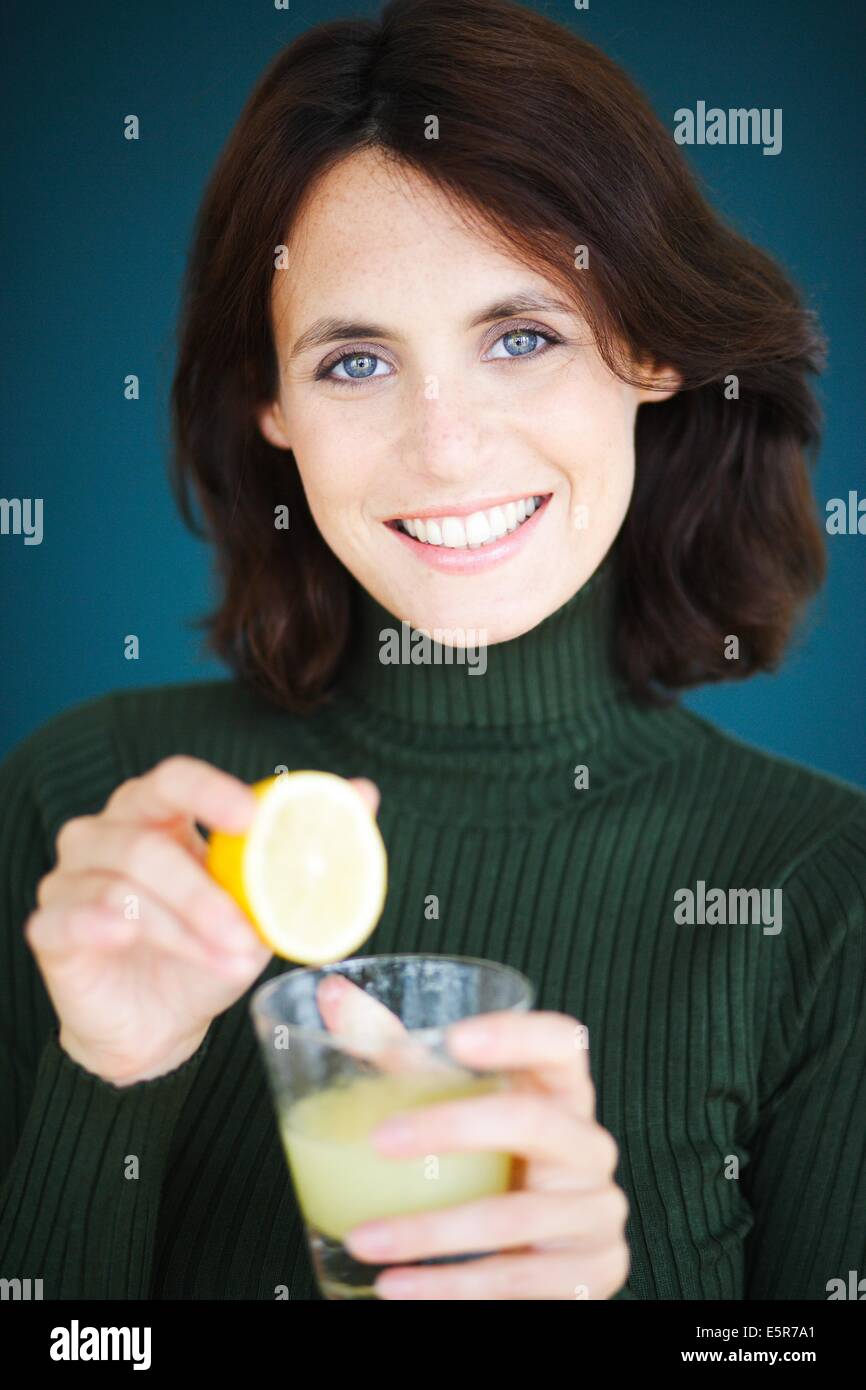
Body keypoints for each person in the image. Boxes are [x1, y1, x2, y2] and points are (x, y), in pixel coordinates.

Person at [1, 0, 863, 1301]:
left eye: (521, 337)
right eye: (355, 362)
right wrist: (106, 1075)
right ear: (270, 406)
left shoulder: (823, 892)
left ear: (648, 350)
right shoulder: (86, 810)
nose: (445, 446)